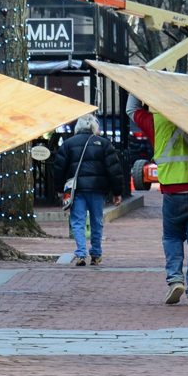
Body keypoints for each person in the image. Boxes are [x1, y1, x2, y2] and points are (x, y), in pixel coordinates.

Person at [133, 102, 188, 306]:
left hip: (173, 191)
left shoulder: (156, 120)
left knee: (172, 236)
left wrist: (136, 81)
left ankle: (175, 280)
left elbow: (131, 110)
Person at [52, 114, 125, 266]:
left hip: (77, 189)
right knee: (96, 221)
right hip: (98, 189)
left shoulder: (68, 144)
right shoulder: (104, 144)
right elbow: (114, 170)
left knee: (77, 221)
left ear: (78, 127)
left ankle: (80, 253)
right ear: (94, 127)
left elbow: (59, 169)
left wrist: (60, 190)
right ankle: (96, 253)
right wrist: (117, 192)